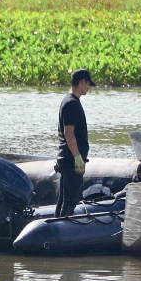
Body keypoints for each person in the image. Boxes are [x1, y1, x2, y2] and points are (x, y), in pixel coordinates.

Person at [56, 68, 94, 218]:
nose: (89, 87)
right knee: (70, 201)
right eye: (88, 84)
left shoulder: (70, 101)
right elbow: (69, 132)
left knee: (64, 200)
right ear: (82, 82)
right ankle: (61, 231)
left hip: (69, 158)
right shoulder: (71, 103)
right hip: (71, 159)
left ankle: (57, 226)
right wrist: (78, 157)